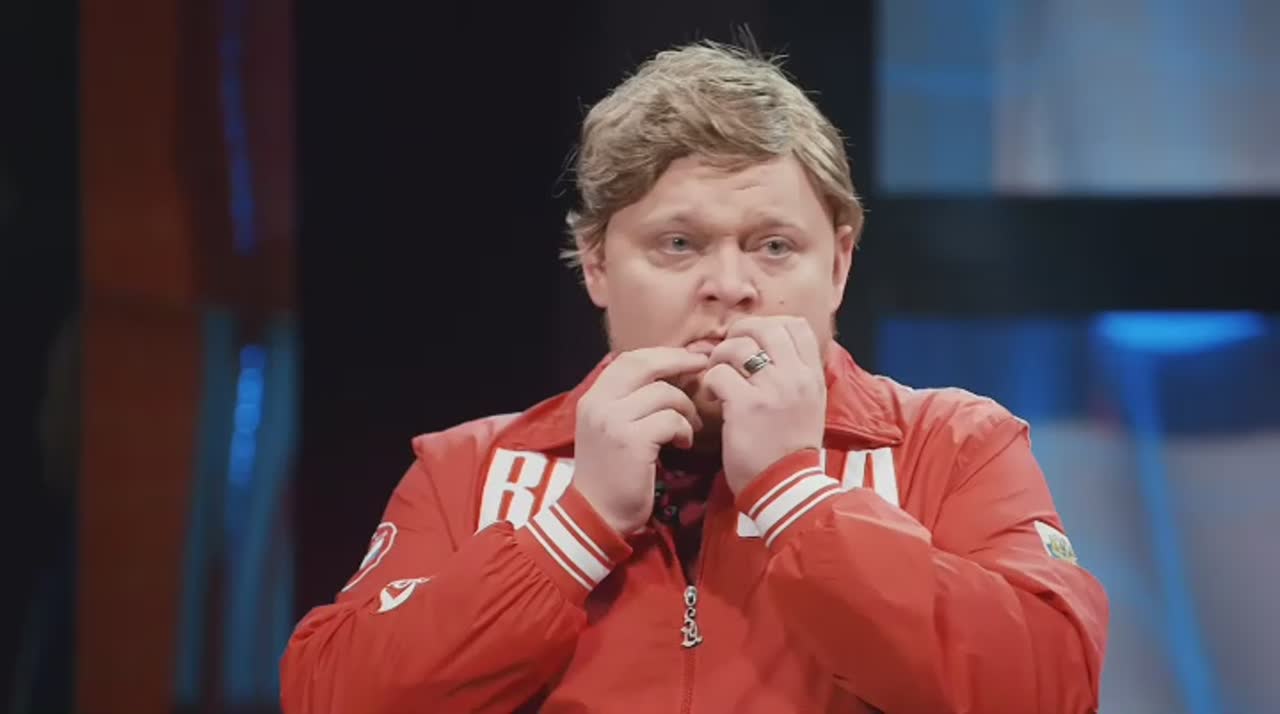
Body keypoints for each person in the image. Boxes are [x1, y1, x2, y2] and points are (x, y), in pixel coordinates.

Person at [279, 40, 1109, 714]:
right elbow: (331, 698)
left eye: (774, 246)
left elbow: (1050, 691)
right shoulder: (468, 471)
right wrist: (574, 530)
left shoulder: (955, 446)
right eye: (678, 244)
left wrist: (796, 495)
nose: (730, 285)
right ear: (597, 264)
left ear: (839, 265)